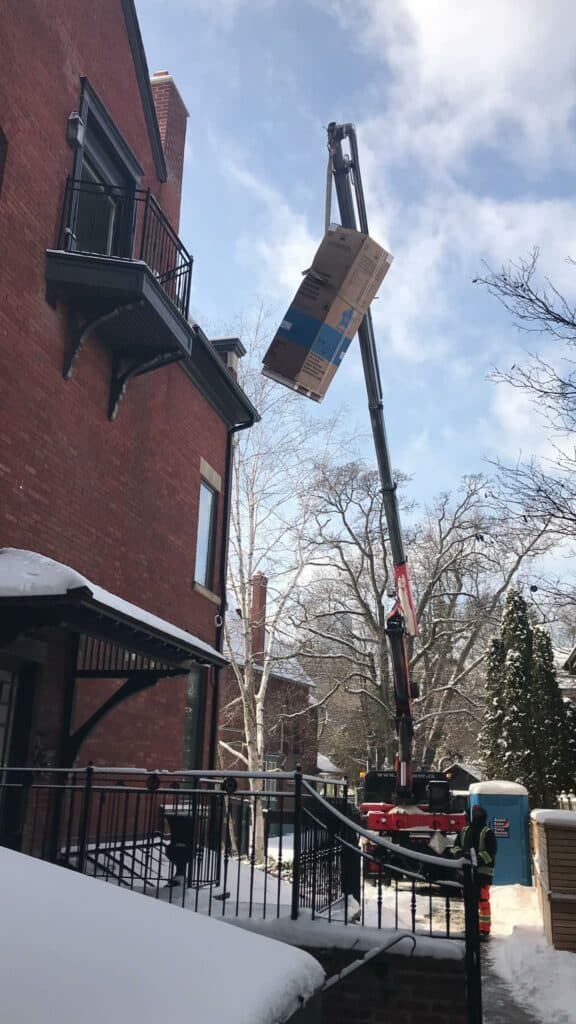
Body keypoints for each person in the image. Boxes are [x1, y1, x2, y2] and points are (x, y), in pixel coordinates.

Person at [451, 804, 497, 939]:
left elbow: (490, 852)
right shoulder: (473, 831)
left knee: (479, 902)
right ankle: (474, 928)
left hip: (480, 874)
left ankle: (482, 930)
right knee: (473, 902)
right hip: (474, 873)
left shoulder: (484, 832)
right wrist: (462, 856)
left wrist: (472, 859)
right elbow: (456, 847)